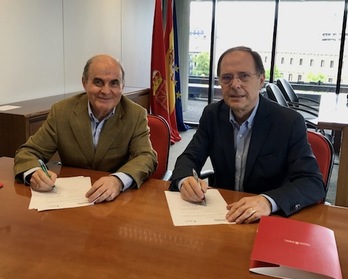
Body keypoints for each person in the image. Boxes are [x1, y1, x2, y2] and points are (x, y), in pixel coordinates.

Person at [169, 46, 326, 224]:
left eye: (244, 76)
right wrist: (185, 180)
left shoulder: (288, 122)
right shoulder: (212, 114)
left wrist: (268, 201)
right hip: (223, 215)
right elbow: (189, 157)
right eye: (227, 78)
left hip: (269, 221)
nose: (235, 85)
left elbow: (312, 183)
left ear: (261, 80)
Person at [14, 54, 157, 203]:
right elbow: (28, 152)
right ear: (84, 83)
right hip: (69, 200)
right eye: (98, 82)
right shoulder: (62, 112)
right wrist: (34, 173)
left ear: (122, 86)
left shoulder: (135, 114)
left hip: (116, 200)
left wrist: (118, 180)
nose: (106, 91)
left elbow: (146, 156)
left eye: (114, 83)